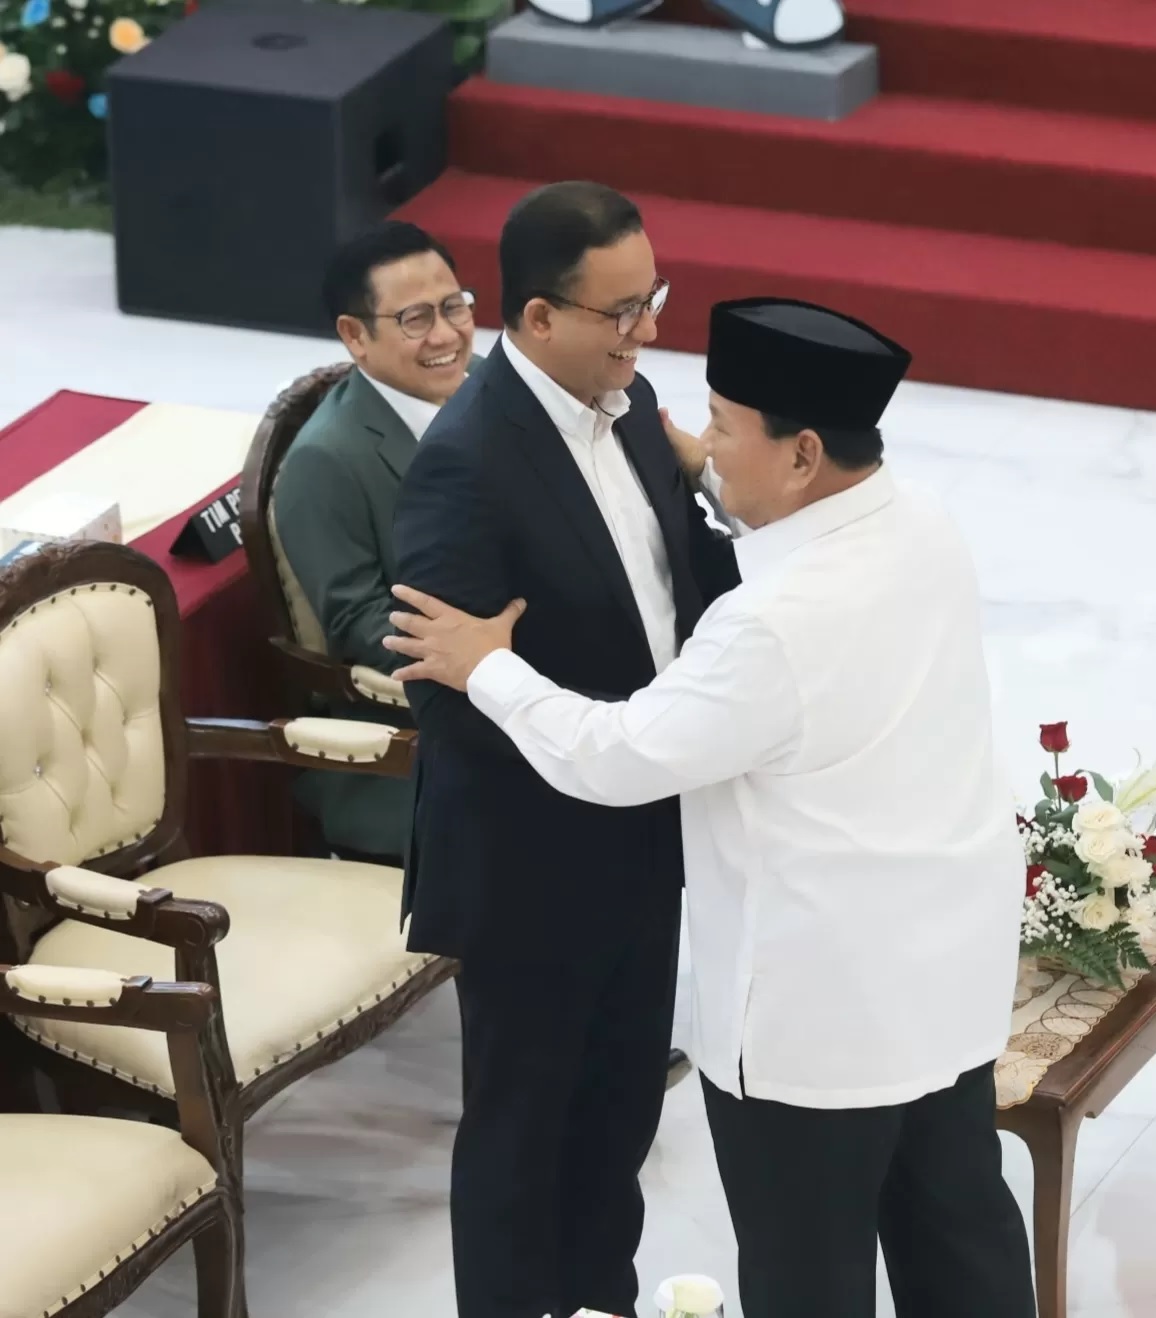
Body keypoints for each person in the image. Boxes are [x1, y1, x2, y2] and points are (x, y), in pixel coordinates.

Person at [384, 296, 1038, 1318]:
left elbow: (618, 753)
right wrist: (703, 462)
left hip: (814, 1019)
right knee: (963, 1243)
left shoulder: (772, 625)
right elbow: (762, 498)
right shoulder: (919, 520)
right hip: (942, 983)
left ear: (805, 451)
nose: (705, 444)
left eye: (724, 424)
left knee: (806, 1279)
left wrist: (490, 668)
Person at [390, 181, 740, 1318]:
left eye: (653, 300)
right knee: (522, 1130)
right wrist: (593, 747)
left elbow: (678, 578)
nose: (647, 333)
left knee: (622, 1105)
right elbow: (446, 687)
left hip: (648, 823)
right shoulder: (466, 458)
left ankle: (602, 1300)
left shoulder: (629, 404)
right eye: (622, 312)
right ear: (538, 319)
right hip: (531, 861)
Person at [272, 221, 476, 862]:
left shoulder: (491, 390)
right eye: (415, 319)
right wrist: (502, 660)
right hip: (423, 733)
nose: (446, 336)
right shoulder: (326, 463)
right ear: (355, 335)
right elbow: (363, 627)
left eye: (454, 307)